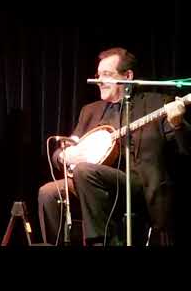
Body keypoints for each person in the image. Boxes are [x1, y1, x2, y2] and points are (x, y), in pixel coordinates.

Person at [38, 47, 190, 246]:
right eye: (98, 75)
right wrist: (65, 155)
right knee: (48, 193)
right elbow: (67, 146)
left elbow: (186, 149)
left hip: (138, 185)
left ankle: (100, 243)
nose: (100, 80)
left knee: (85, 171)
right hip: (91, 182)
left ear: (127, 76)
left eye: (107, 74)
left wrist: (178, 124)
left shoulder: (156, 104)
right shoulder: (90, 111)